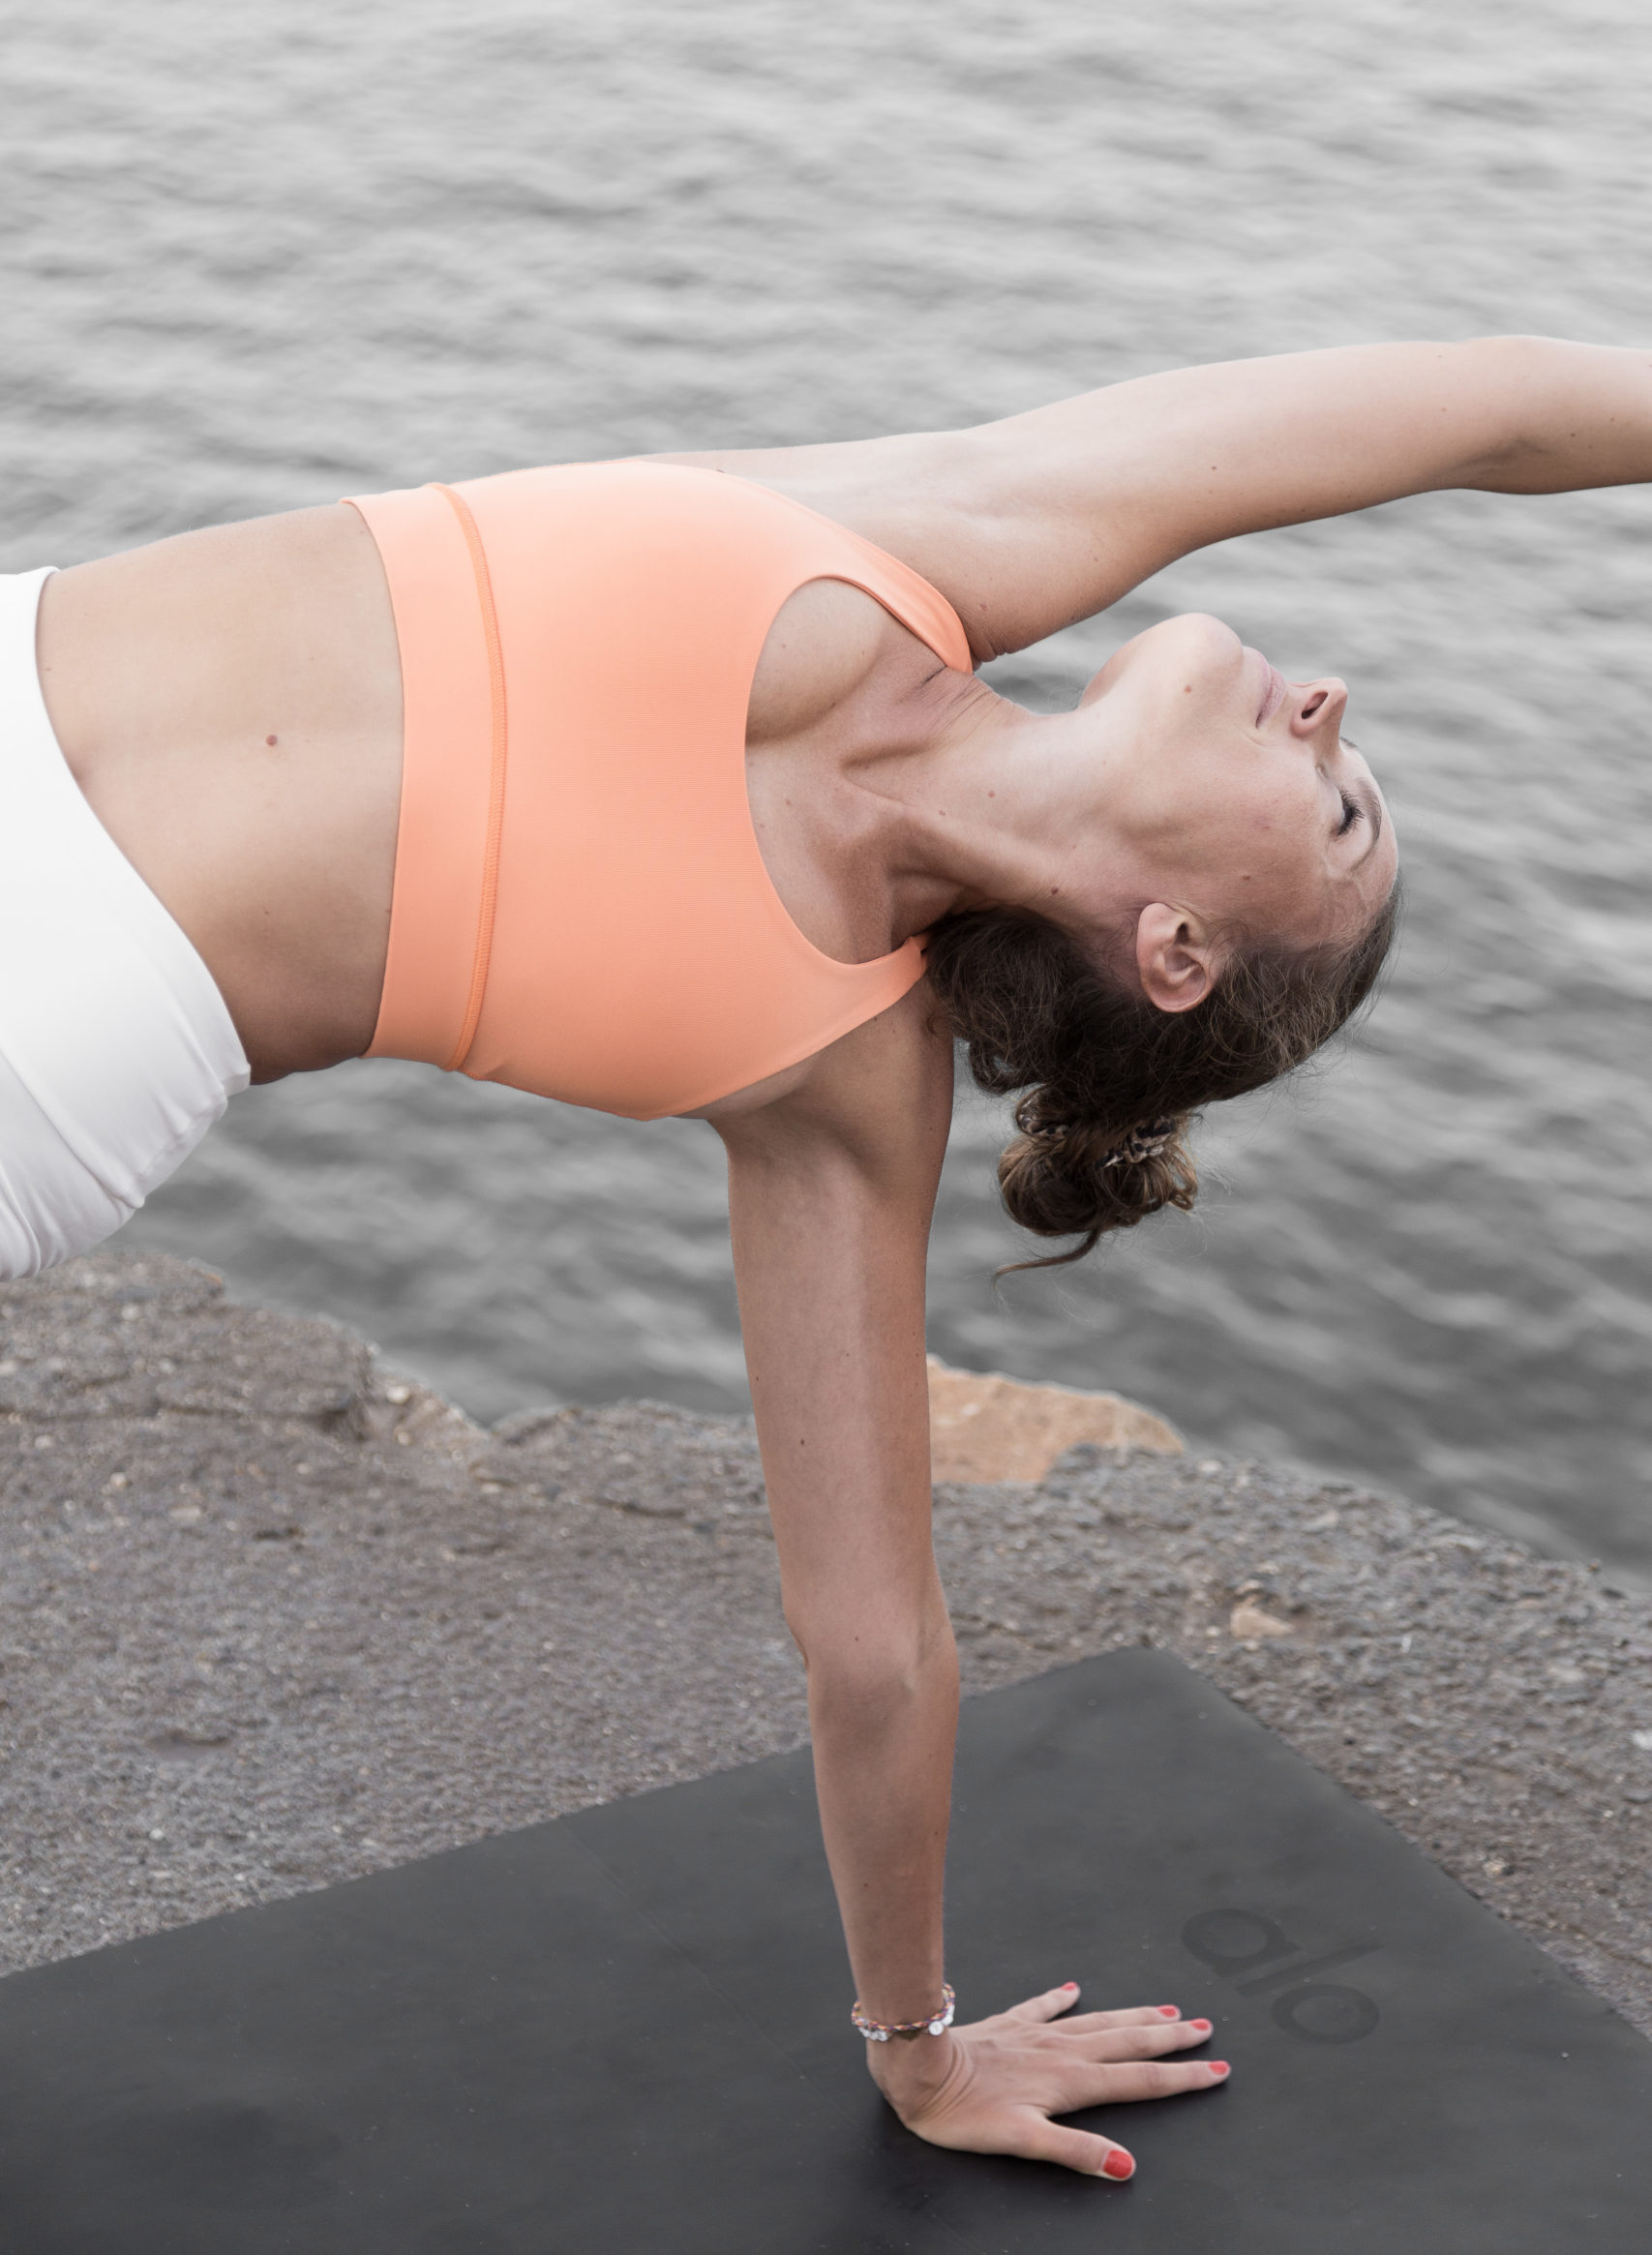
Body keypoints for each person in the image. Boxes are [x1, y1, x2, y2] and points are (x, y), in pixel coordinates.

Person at [6, 334, 1645, 2180]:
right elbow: (1494, 418)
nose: (1331, 705)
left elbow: (872, 1643)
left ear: (1177, 947)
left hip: (46, 1021)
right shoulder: (938, 548)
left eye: (1342, 808)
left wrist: (922, 2048)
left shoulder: (845, 1077)